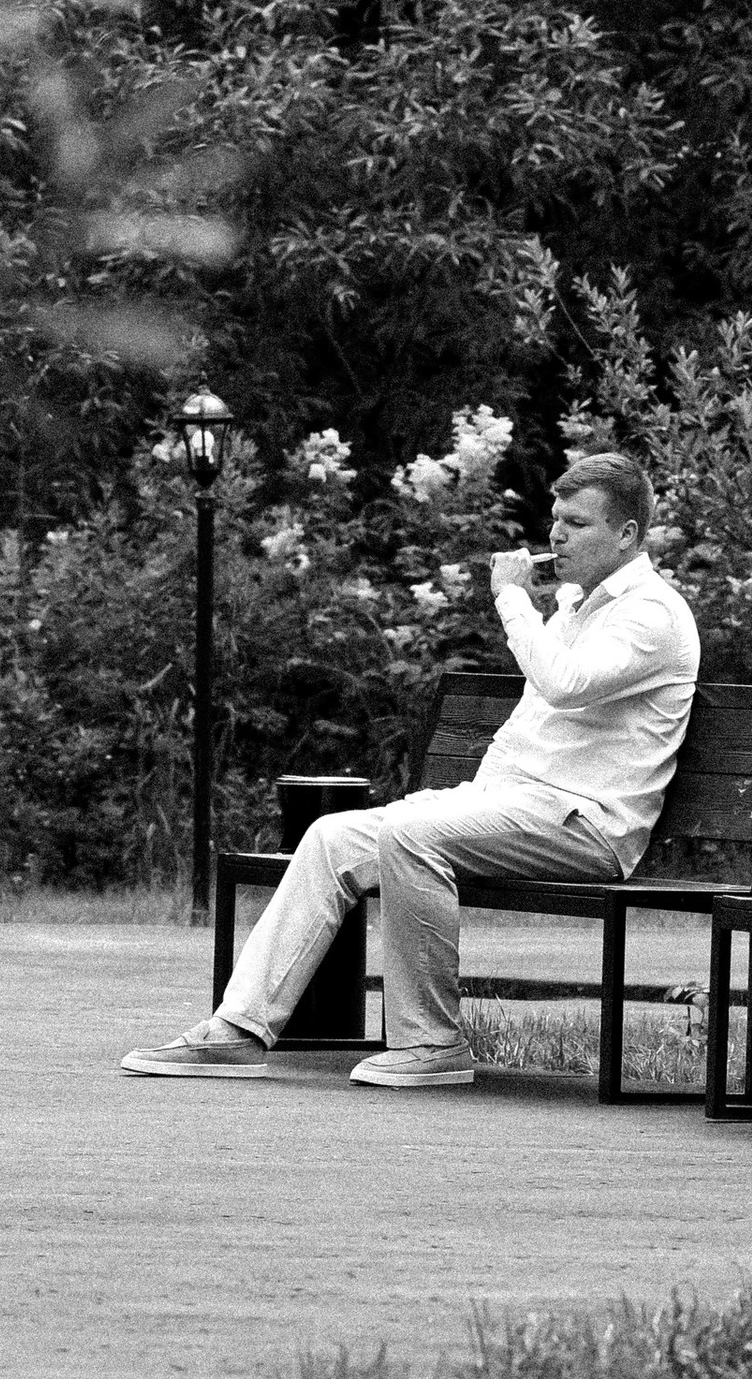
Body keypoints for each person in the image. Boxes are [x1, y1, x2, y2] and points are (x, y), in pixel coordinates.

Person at [121, 450, 699, 1092]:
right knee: (333, 836)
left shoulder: (651, 613)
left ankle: (432, 1042)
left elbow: (565, 685)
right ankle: (239, 1029)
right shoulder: (577, 605)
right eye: (557, 519)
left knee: (411, 836)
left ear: (627, 534)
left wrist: (512, 599)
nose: (557, 535)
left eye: (578, 523)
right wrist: (476, 793)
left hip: (586, 824)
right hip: (516, 805)